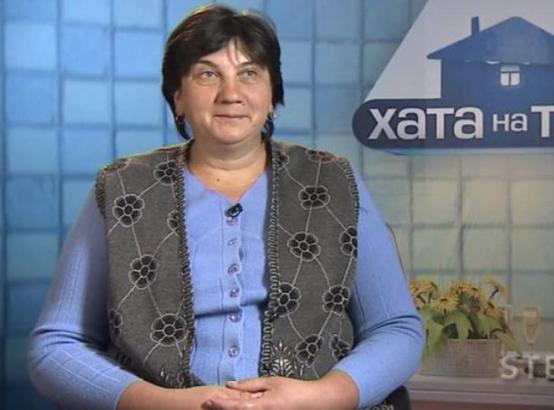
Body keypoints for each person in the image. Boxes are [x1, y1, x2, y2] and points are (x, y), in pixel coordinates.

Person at [28, 4, 423, 410]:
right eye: (208, 74)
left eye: (249, 74)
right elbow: (56, 346)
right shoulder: (121, 187)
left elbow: (396, 328)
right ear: (178, 97)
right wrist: (162, 403)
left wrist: (322, 396)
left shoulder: (334, 180)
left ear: (272, 97)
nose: (231, 93)